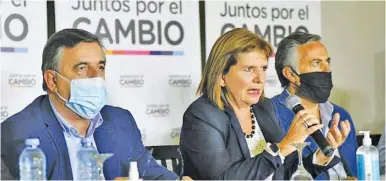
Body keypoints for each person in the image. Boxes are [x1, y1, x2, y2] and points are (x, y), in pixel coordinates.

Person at [1, 29, 178, 180]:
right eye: (82, 68)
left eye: (100, 67)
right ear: (52, 80)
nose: (96, 76)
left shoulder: (120, 121)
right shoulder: (18, 133)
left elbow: (150, 173)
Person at [179, 28, 341, 180]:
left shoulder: (264, 108)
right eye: (249, 69)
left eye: (263, 68)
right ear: (221, 75)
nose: (260, 79)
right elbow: (222, 178)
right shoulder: (202, 116)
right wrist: (284, 146)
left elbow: (285, 174)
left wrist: (321, 156)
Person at [271, 32, 357, 180]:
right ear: (290, 75)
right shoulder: (270, 114)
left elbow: (355, 170)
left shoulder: (340, 115)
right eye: (316, 63)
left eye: (327, 62)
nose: (327, 70)